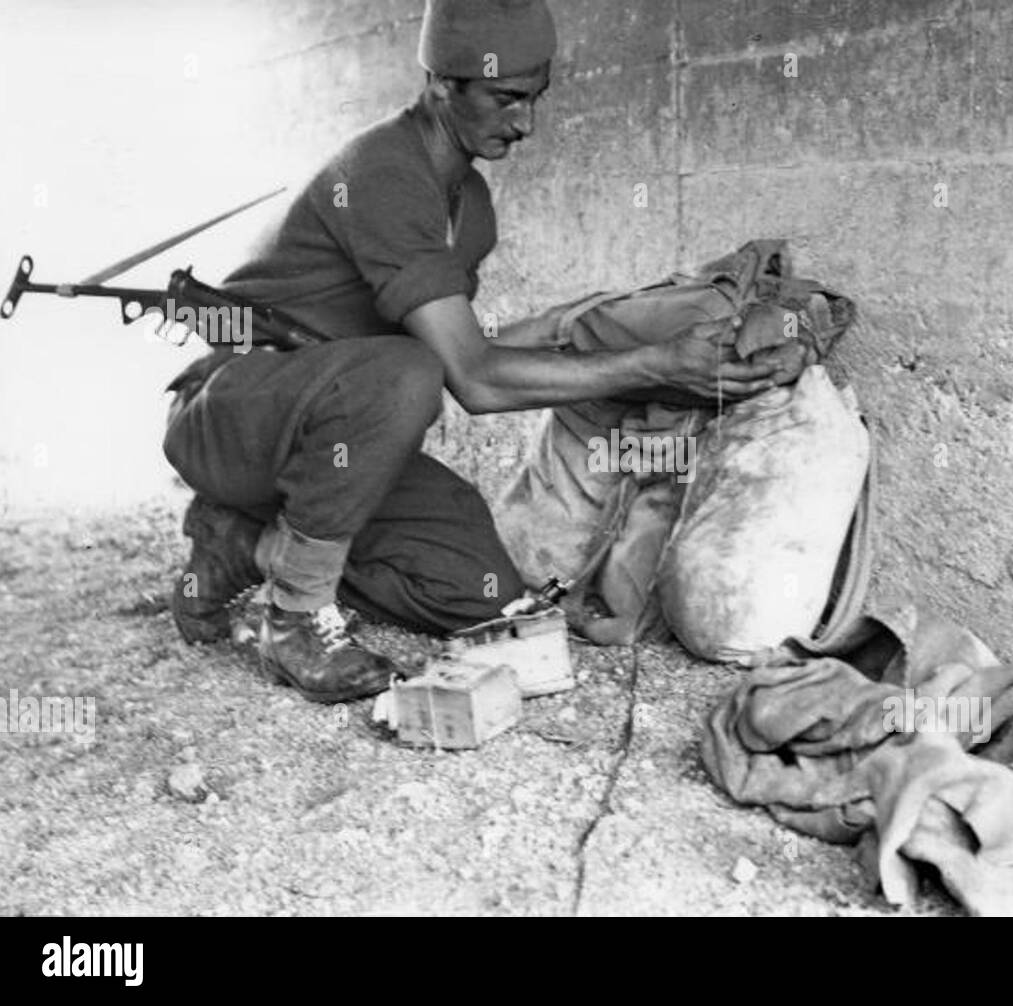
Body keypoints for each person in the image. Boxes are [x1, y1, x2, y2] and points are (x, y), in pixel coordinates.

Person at [162, 0, 780, 704]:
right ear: (439, 85)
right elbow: (472, 380)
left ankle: (242, 545)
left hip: (317, 444)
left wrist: (617, 330)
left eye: (536, 98)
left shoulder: (471, 204)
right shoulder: (382, 173)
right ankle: (296, 618)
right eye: (507, 98)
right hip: (233, 416)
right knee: (407, 373)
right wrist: (657, 363)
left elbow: (468, 357)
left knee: (478, 591)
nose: (526, 124)